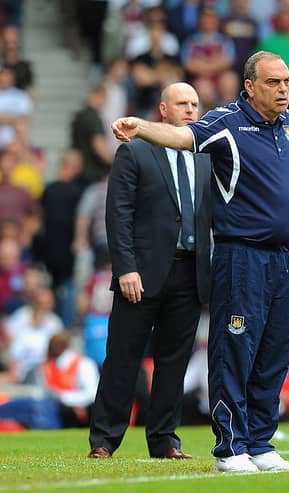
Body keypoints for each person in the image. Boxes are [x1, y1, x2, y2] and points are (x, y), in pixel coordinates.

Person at [111, 50, 289, 473]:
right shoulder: (226, 124)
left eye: (286, 82)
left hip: (286, 258)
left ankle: (260, 443)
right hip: (242, 256)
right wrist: (143, 128)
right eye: (273, 82)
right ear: (250, 86)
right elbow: (183, 139)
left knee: (274, 352)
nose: (283, 89)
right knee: (234, 350)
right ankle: (229, 448)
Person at [87, 82, 212, 460]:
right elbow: (118, 213)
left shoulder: (206, 155)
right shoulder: (135, 151)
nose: (190, 110)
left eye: (194, 104)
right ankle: (105, 440)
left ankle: (165, 441)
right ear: (162, 109)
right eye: (182, 104)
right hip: (140, 274)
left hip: (191, 274)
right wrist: (125, 268)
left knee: (173, 363)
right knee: (122, 357)